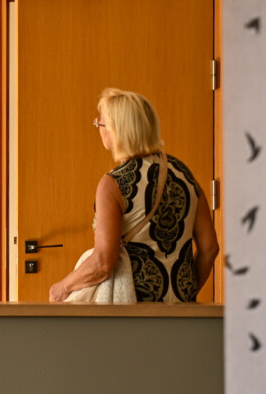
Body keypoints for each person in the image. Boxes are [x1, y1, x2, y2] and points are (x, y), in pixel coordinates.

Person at [48, 87, 218, 304]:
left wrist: (62, 287)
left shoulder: (113, 184)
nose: (99, 129)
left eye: (101, 123)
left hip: (133, 312)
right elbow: (209, 248)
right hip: (181, 309)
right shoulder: (185, 175)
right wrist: (185, 291)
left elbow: (102, 263)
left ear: (117, 130)